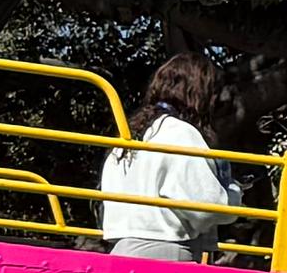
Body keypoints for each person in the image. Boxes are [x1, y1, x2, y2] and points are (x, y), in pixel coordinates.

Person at [97, 52, 228, 259]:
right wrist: (233, 193)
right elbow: (207, 209)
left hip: (120, 251)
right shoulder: (180, 133)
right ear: (200, 95)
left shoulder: (131, 134)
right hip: (166, 254)